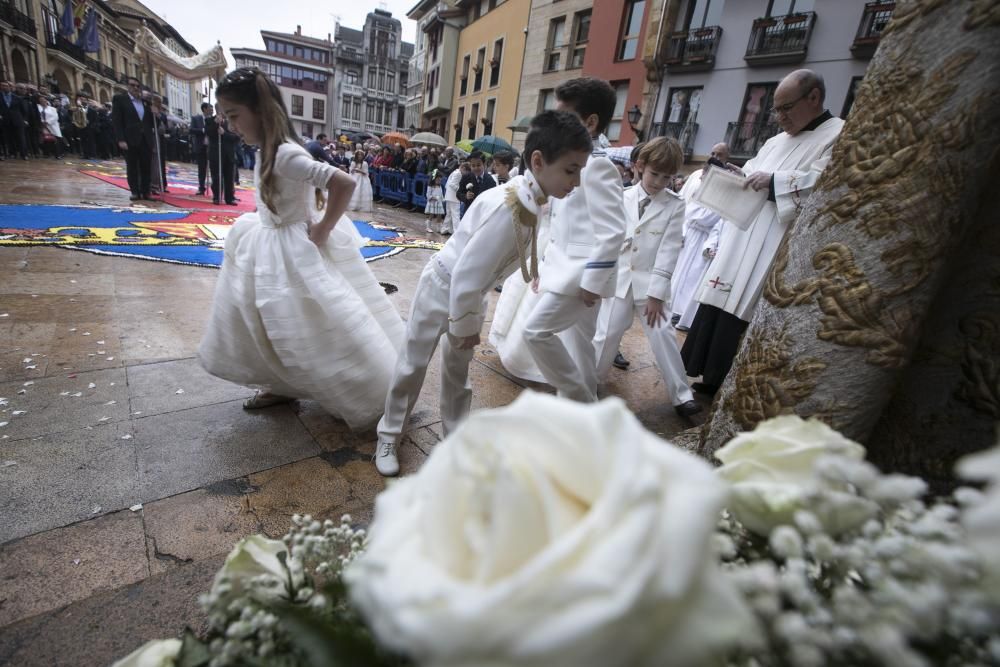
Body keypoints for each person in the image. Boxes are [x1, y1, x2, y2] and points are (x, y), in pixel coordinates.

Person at [373, 110, 592, 476]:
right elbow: (465, 276)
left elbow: (524, 245)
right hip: (444, 286)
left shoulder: (530, 197)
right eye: (571, 170)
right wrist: (463, 327)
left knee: (458, 372)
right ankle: (389, 433)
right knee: (413, 363)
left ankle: (455, 437)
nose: (577, 181)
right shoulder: (509, 206)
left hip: (469, 294)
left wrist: (532, 272)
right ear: (538, 161)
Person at [198, 67, 405, 428]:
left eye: (234, 116)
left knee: (309, 321)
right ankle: (281, 382)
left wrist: (323, 228)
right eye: (225, 116)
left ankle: (361, 390)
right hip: (267, 240)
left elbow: (342, 182)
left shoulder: (285, 154)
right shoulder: (267, 150)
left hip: (290, 246)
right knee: (270, 321)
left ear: (259, 110)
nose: (230, 125)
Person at [681, 69, 845, 394]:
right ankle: (706, 373)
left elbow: (828, 184)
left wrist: (774, 183)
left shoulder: (838, 134)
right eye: (776, 108)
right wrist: (732, 173)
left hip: (776, 241)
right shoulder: (774, 141)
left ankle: (728, 383)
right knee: (722, 295)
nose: (779, 116)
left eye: (786, 108)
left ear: (813, 98)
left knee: (746, 306)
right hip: (743, 234)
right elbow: (753, 172)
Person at [521, 77, 626, 403]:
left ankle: (582, 402)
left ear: (591, 122)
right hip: (564, 268)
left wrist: (593, 282)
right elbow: (558, 221)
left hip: (580, 275)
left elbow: (613, 230)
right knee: (580, 348)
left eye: (564, 117)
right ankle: (584, 413)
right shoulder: (571, 162)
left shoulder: (597, 167)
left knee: (535, 332)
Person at [592, 137, 702, 418]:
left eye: (667, 177)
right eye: (655, 174)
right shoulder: (622, 196)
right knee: (607, 334)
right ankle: (590, 383)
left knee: (663, 334)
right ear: (640, 166)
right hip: (619, 281)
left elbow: (669, 249)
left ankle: (682, 395)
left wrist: (656, 295)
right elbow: (608, 232)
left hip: (652, 286)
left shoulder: (675, 205)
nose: (659, 182)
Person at [670, 143, 731, 331]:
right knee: (678, 272)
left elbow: (711, 218)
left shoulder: (723, 188)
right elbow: (681, 205)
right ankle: (671, 307)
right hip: (687, 234)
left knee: (693, 276)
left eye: (719, 154)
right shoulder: (695, 177)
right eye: (712, 153)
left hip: (702, 237)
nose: (714, 156)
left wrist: (693, 218)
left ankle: (682, 312)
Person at [111, 77, 155, 200]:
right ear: (128, 86)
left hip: (145, 139)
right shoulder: (120, 100)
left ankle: (146, 191)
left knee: (146, 166)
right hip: (130, 139)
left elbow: (152, 123)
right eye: (132, 85)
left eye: (137, 86)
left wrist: (155, 113)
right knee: (132, 166)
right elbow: (117, 121)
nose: (135, 88)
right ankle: (135, 191)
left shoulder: (146, 103)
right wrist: (120, 139)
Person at [206, 104, 238, 205]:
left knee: (229, 177)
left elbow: (237, 138)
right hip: (216, 153)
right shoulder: (210, 121)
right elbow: (208, 133)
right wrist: (215, 124)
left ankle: (230, 198)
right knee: (216, 176)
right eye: (219, 109)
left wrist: (224, 134)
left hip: (229, 154)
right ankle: (216, 196)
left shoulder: (232, 122)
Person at [458, 150, 496, 217]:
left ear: (484, 164)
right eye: (473, 165)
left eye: (478, 165)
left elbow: (493, 198)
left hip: (483, 214)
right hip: (468, 213)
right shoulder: (466, 177)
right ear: (470, 166)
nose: (476, 168)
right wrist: (465, 196)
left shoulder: (490, 180)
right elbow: (458, 193)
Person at [1, 81, 29, 160]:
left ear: (10, 87)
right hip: (5, 120)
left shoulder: (17, 98)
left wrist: (24, 119)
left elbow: (23, 110)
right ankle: (12, 153)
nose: (4, 87)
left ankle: (24, 154)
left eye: (6, 86)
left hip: (17, 120)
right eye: (3, 86)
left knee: (21, 138)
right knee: (9, 138)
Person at [189, 102, 211, 195]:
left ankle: (214, 188)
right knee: (201, 168)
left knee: (212, 168)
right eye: (210, 108)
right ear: (204, 109)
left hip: (211, 147)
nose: (211, 110)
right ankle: (201, 187)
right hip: (200, 147)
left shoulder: (212, 119)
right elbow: (191, 130)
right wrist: (202, 130)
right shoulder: (196, 118)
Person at [441, 161, 468, 235]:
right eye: (466, 171)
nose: (465, 174)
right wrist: (460, 190)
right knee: (456, 214)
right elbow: (452, 184)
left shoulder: (455, 172)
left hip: (449, 196)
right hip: (454, 197)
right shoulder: (458, 173)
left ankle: (446, 228)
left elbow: (448, 184)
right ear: (463, 168)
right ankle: (457, 232)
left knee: (449, 214)